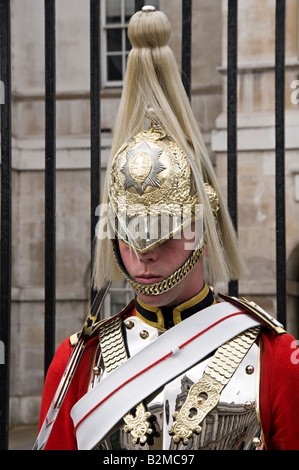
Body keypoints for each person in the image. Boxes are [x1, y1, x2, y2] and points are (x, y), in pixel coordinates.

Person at [36, 7, 299, 451]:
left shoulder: (276, 359)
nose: (145, 253)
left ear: (204, 227)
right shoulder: (76, 361)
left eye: (167, 229)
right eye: (129, 230)